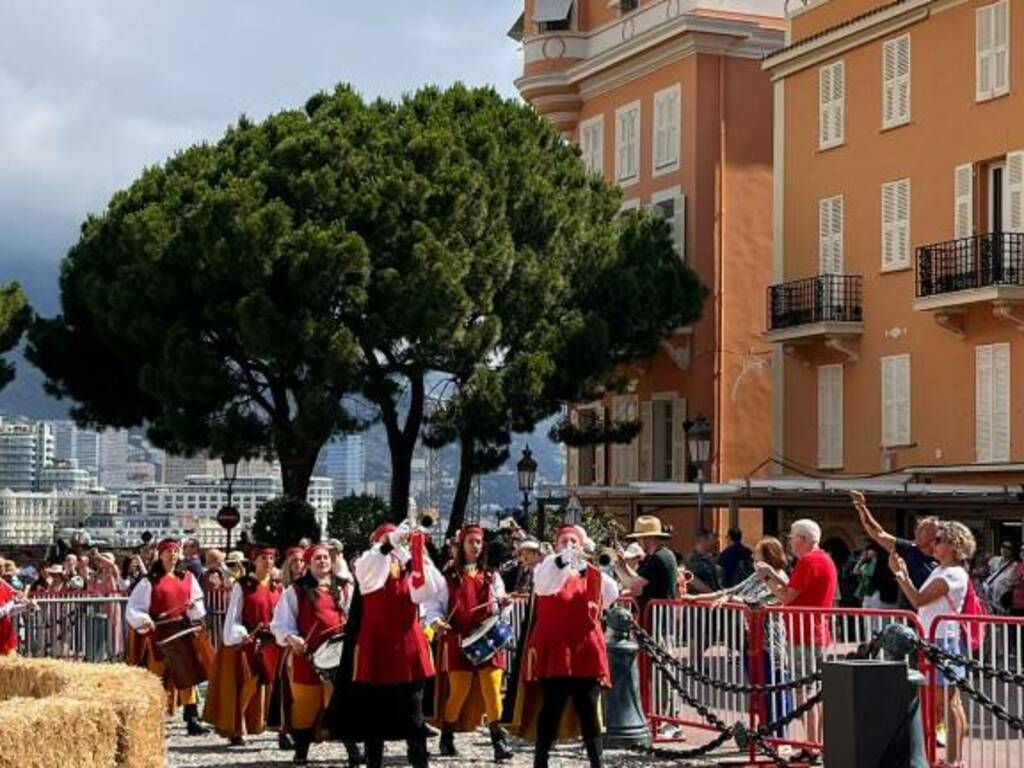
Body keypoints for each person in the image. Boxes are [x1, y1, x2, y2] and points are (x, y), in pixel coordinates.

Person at [327, 522, 443, 768]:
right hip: (376, 649)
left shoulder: (411, 568)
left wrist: (416, 557)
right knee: (374, 720)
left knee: (414, 718)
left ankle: (420, 762)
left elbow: (430, 590)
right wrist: (388, 544)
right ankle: (374, 763)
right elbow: (368, 567)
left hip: (408, 648)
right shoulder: (369, 568)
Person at [513, 523, 619, 768]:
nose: (569, 545)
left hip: (586, 648)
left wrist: (590, 565)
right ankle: (541, 761)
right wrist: (563, 558)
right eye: (564, 541)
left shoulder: (590, 574)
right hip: (556, 649)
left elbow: (611, 594)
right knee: (552, 706)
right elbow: (544, 585)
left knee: (588, 708)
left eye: (574, 542)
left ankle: (597, 761)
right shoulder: (547, 567)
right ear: (556, 544)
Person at [681, 536, 793, 735]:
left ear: (767, 556)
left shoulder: (779, 577)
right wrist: (697, 598)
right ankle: (764, 730)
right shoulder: (755, 576)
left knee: (773, 687)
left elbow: (758, 601)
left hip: (770, 642)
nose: (752, 555)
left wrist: (732, 598)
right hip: (751, 640)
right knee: (757, 688)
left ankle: (779, 735)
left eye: (757, 552)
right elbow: (731, 591)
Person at [891, 521, 975, 768]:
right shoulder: (941, 570)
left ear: (952, 545)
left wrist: (900, 576)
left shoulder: (952, 574)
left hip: (942, 639)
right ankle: (952, 756)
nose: (933, 544)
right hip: (935, 637)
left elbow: (918, 599)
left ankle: (953, 758)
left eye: (938, 540)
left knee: (948, 701)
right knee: (947, 701)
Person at [427, 524, 514, 761]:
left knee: (493, 689)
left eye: (478, 542)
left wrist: (505, 605)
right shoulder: (450, 578)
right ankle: (447, 735)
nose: (475, 546)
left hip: (488, 640)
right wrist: (437, 622)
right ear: (462, 546)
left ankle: (499, 741)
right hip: (459, 640)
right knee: (459, 692)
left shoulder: (491, 576)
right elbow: (435, 606)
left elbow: (499, 606)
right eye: (470, 542)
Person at [758, 519, 836, 762]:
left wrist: (766, 578)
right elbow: (796, 590)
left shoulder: (808, 562)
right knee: (812, 692)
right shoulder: (823, 559)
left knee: (805, 693)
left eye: (791, 537)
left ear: (802, 539)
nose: (789, 542)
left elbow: (786, 597)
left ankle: (811, 746)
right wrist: (774, 574)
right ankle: (813, 743)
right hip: (815, 632)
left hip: (805, 634)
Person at [270, 543, 354, 766]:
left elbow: (355, 619)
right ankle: (301, 752)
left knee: (340, 705)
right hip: (305, 656)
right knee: (305, 706)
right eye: (317, 558)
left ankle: (353, 752)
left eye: (326, 557)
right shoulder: (296, 590)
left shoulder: (344, 587)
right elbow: (280, 623)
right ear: (308, 563)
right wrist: (291, 638)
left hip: (337, 657)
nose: (323, 561)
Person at [126, 538, 210, 735]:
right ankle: (151, 717)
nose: (172, 555)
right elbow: (134, 607)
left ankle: (192, 717)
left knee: (187, 675)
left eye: (175, 551)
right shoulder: (150, 581)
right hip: (159, 634)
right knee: (156, 676)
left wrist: (194, 608)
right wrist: (144, 619)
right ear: (161, 554)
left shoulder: (188, 577)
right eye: (168, 551)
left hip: (181, 630)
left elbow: (198, 605)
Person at [203, 546, 283, 746]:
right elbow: (234, 614)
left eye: (271, 558)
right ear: (254, 561)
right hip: (247, 643)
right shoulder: (244, 585)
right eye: (263, 558)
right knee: (246, 686)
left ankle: (271, 727)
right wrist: (238, 634)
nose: (268, 562)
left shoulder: (277, 586)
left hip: (270, 643)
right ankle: (236, 729)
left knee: (272, 687)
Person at [852, 491, 937, 601]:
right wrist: (862, 508)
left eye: (922, 529)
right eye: (917, 528)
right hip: (912, 613)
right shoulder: (909, 549)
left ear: (935, 534)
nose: (917, 532)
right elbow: (878, 534)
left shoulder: (945, 559)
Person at [619, 515, 678, 611]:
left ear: (648, 538)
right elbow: (638, 580)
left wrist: (616, 566)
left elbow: (633, 584)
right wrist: (623, 565)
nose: (638, 542)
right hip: (655, 615)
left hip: (658, 616)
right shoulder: (655, 556)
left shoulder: (658, 557)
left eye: (639, 538)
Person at [982, 541, 1019, 613]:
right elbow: (984, 572)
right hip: (988, 594)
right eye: (1003, 546)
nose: (1005, 549)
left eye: (1008, 548)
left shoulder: (1015, 565)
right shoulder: (994, 560)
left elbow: (1011, 581)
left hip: (1001, 597)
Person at [686, 530, 722, 595]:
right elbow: (693, 580)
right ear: (703, 540)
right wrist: (712, 594)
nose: (714, 543)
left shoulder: (708, 560)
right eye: (711, 540)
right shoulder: (693, 560)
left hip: (712, 599)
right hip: (700, 600)